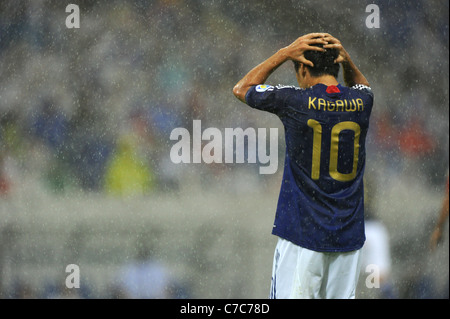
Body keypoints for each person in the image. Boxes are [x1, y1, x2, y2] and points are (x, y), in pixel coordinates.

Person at [233, 33, 374, 299]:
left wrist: (284, 52)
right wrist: (348, 61)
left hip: (303, 234)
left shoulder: (294, 101)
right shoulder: (362, 103)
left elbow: (242, 88)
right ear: (337, 64)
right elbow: (363, 87)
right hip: (348, 238)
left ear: (303, 67)